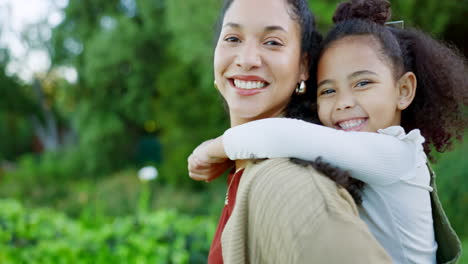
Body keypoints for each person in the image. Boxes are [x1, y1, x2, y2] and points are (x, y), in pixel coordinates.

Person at [189, 0, 466, 263]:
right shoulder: (355, 153)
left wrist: (214, 148)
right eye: (329, 90)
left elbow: (284, 135)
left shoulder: (395, 154)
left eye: (363, 83)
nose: (344, 102)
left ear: (403, 90)